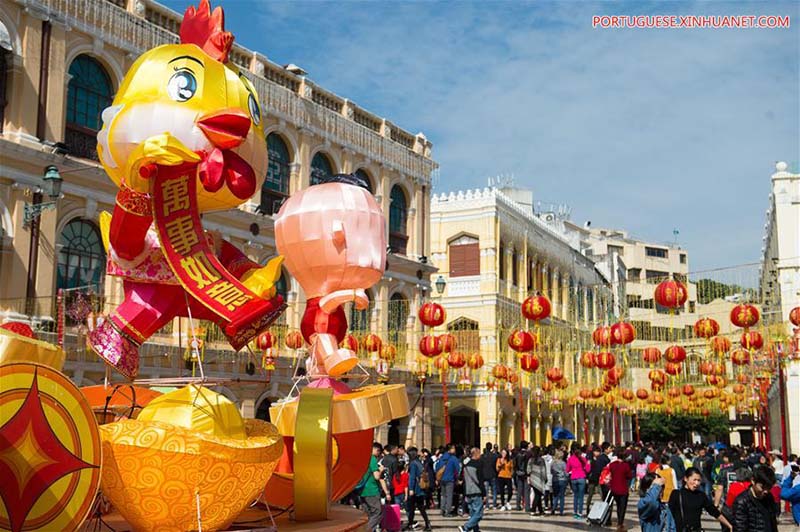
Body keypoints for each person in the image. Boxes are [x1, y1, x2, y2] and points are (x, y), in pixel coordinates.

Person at [669, 467, 732, 532]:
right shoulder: (676, 494)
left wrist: (729, 525)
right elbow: (669, 514)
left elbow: (714, 511)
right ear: (686, 479)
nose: (696, 483)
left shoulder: (701, 495)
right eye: (694, 480)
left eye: (698, 480)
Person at [732, 465, 778, 532]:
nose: (766, 491)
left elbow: (773, 523)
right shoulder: (742, 501)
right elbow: (739, 528)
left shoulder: (769, 497)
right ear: (753, 481)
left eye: (769, 488)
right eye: (762, 487)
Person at [360, 442, 386, 532]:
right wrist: (381, 470)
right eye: (379, 452)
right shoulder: (372, 459)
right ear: (376, 450)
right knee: (377, 513)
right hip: (371, 490)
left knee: (367, 514)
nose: (379, 454)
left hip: (362, 490)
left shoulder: (362, 457)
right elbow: (377, 476)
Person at [404, 447, 431, 532]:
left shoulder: (413, 464)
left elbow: (412, 477)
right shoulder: (419, 462)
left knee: (411, 507)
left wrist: (411, 489)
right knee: (420, 507)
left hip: (416, 488)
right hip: (420, 488)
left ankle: (410, 524)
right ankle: (426, 524)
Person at [458, 447, 485, 532]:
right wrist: (484, 494)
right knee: (479, 514)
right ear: (476, 454)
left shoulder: (465, 464)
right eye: (479, 454)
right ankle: (465, 527)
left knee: (473, 512)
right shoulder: (478, 464)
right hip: (476, 491)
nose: (480, 455)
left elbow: (461, 478)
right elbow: (480, 480)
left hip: (468, 491)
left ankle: (476, 530)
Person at [608, 447, 634, 532]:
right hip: (623, 489)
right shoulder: (625, 466)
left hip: (614, 488)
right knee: (622, 507)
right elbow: (629, 476)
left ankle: (619, 521)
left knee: (618, 505)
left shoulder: (612, 464)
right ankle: (620, 522)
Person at [435, 443, 459, 517]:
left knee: (443, 495)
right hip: (450, 479)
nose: (454, 450)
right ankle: (448, 511)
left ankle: (442, 509)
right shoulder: (453, 458)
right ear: (450, 449)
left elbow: (437, 467)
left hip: (442, 479)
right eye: (453, 448)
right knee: (449, 496)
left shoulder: (442, 457)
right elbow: (457, 469)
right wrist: (457, 478)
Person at [566, 446, 590, 520]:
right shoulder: (583, 459)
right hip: (581, 478)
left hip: (573, 478)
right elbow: (588, 470)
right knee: (581, 497)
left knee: (575, 496)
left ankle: (575, 512)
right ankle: (580, 513)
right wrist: (588, 464)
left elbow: (567, 470)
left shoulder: (570, 459)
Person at [527, 448, 547, 517]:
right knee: (538, 495)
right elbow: (543, 470)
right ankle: (533, 510)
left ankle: (541, 510)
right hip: (539, 479)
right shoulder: (541, 460)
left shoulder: (530, 460)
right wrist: (545, 478)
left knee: (537, 494)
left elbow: (528, 470)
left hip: (533, 479)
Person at [480, 442, 498, 510]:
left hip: (485, 475)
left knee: (486, 491)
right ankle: (494, 505)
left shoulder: (482, 456)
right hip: (493, 474)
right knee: (494, 490)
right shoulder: (494, 456)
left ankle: (487, 505)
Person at [586, 446, 604, 515]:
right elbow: (587, 469)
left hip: (599, 478)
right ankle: (588, 507)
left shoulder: (600, 459)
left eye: (599, 452)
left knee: (601, 493)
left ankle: (603, 507)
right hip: (592, 478)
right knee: (590, 494)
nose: (598, 453)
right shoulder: (590, 459)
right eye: (597, 451)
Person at [550, 449, 568, 516]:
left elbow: (551, 471)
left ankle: (553, 509)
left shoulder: (553, 463)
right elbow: (566, 472)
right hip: (562, 480)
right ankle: (561, 511)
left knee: (555, 495)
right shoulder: (563, 463)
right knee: (562, 496)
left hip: (555, 480)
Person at [513, 442, 530, 511]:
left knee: (519, 490)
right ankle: (527, 506)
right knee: (526, 491)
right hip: (526, 474)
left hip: (519, 473)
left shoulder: (517, 454)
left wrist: (516, 471)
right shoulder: (529, 454)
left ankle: (518, 505)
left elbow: (515, 464)